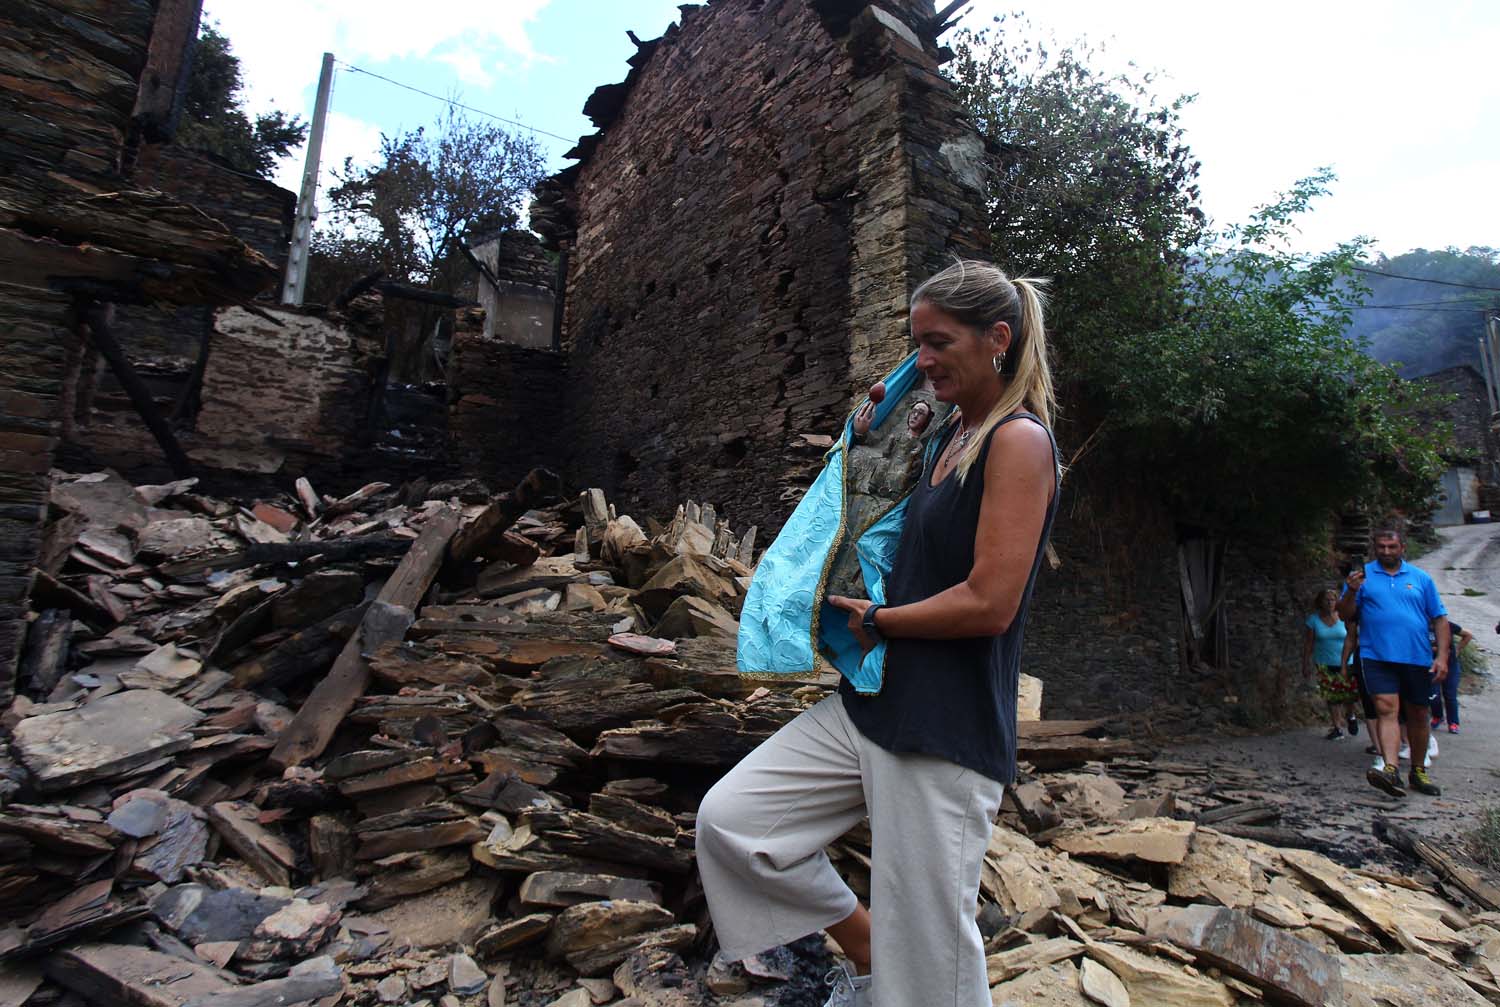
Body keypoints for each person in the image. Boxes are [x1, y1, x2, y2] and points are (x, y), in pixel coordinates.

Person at [698, 260, 1058, 1007]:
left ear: (997, 338)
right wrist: (872, 440)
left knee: (929, 959)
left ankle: (890, 972)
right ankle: (864, 948)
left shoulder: (1018, 442)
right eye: (915, 344)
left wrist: (880, 619)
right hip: (876, 698)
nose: (921, 361)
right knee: (735, 823)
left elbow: (990, 601)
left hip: (945, 724)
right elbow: (875, 530)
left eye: (938, 342)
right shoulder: (945, 435)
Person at [1336, 528, 1450, 797]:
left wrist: (1442, 656)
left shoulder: (1420, 578)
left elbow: (1440, 619)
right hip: (1376, 656)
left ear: (1402, 547)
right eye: (1382, 547)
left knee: (1418, 714)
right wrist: (1351, 593)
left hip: (1416, 656)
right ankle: (1390, 768)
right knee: (1386, 709)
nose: (1386, 551)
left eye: (1392, 546)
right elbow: (1345, 615)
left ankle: (1418, 770)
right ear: (1374, 548)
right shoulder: (1361, 578)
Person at [1303, 588, 1356, 739]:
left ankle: (1351, 715)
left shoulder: (1344, 617)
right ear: (1320, 602)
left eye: (1333, 599)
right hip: (1324, 662)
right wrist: (1305, 663)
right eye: (1326, 599)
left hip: (1346, 662)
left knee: (1348, 694)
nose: (1330, 602)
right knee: (1332, 696)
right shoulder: (1313, 620)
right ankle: (1337, 728)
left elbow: (1353, 637)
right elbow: (1308, 643)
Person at [1432, 620, 1473, 733]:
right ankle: (1437, 716)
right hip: (1431, 665)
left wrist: (1458, 649)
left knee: (1450, 695)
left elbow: (1468, 635)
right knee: (1433, 695)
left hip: (1451, 665)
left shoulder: (1447, 625)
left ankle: (1453, 723)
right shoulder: (1421, 626)